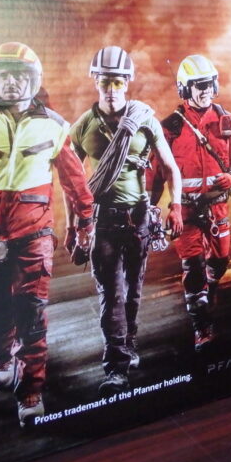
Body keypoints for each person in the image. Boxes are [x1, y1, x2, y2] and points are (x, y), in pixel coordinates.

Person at [0, 42, 94, 428]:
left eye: (19, 76)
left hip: (34, 234)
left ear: (33, 80)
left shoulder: (55, 126)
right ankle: (1, 355)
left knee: (32, 311)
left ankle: (31, 390)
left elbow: (75, 181)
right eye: (4, 76)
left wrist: (85, 222)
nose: (11, 83)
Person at [69, 46, 183, 397]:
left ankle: (128, 342)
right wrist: (74, 226)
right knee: (112, 294)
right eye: (105, 81)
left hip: (138, 218)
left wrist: (176, 206)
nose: (111, 89)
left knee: (132, 292)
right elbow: (72, 182)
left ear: (128, 82)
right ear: (95, 81)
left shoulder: (144, 118)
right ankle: (116, 367)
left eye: (118, 81)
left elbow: (170, 167)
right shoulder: (83, 127)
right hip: (102, 220)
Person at [153, 55, 231, 350]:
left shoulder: (225, 120)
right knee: (193, 269)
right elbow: (156, 174)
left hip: (218, 207)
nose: (206, 90)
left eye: (209, 84)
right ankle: (202, 329)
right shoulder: (169, 128)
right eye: (199, 85)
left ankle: (210, 285)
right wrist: (150, 209)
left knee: (220, 261)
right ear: (185, 89)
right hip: (186, 211)